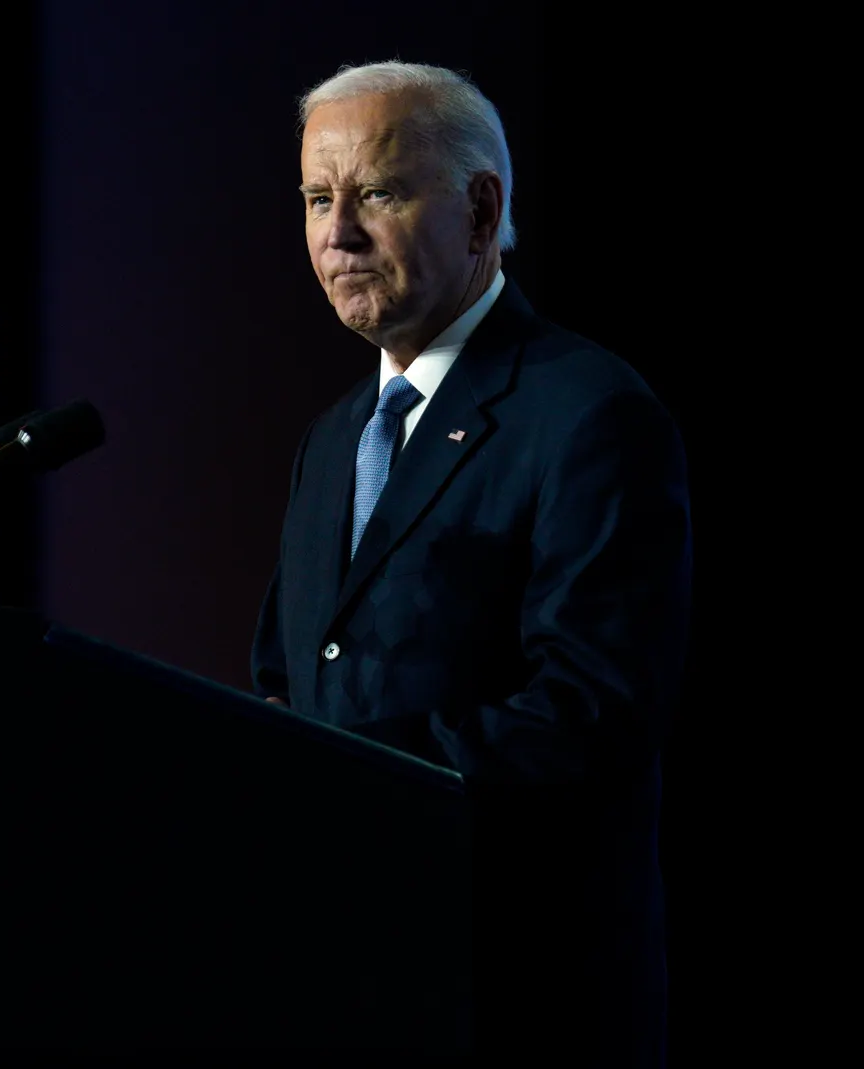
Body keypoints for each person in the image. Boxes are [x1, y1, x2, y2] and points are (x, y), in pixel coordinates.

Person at [251, 61, 691, 1065]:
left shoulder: (586, 413)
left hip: (513, 1004)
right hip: (337, 993)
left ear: (480, 209)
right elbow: (284, 679)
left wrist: (344, 776)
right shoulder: (332, 440)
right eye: (319, 198)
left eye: (378, 193)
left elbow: (591, 712)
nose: (336, 235)